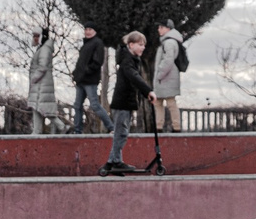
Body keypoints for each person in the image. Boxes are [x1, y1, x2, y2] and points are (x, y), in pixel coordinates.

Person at [104, 29, 152, 170]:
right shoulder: (127, 60)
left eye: (144, 45)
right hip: (122, 103)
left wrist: (145, 94)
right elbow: (133, 77)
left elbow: (134, 80)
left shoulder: (131, 59)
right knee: (121, 133)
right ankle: (112, 162)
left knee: (122, 133)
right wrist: (148, 90)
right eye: (140, 44)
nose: (143, 47)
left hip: (126, 102)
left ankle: (115, 161)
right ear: (131, 45)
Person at [70, 25, 108, 135]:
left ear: (95, 31)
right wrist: (76, 73)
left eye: (90, 29)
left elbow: (97, 62)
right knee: (77, 105)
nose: (87, 31)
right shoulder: (85, 45)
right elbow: (80, 63)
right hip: (81, 80)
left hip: (90, 80)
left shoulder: (97, 43)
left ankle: (110, 127)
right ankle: (78, 130)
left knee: (95, 105)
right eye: (86, 29)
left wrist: (87, 70)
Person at [151, 22, 188, 132]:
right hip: (168, 77)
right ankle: (167, 126)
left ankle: (172, 127)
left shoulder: (169, 42)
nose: (159, 29)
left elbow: (168, 60)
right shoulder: (170, 41)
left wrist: (159, 74)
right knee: (163, 102)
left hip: (166, 77)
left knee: (168, 102)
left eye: (161, 27)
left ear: (168, 28)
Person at [26, 26, 61, 133]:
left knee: (43, 108)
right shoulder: (42, 48)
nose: (35, 38)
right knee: (37, 107)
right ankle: (36, 131)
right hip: (40, 83)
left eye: (37, 36)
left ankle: (62, 126)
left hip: (42, 83)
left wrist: (34, 78)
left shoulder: (45, 49)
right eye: (34, 36)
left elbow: (43, 66)